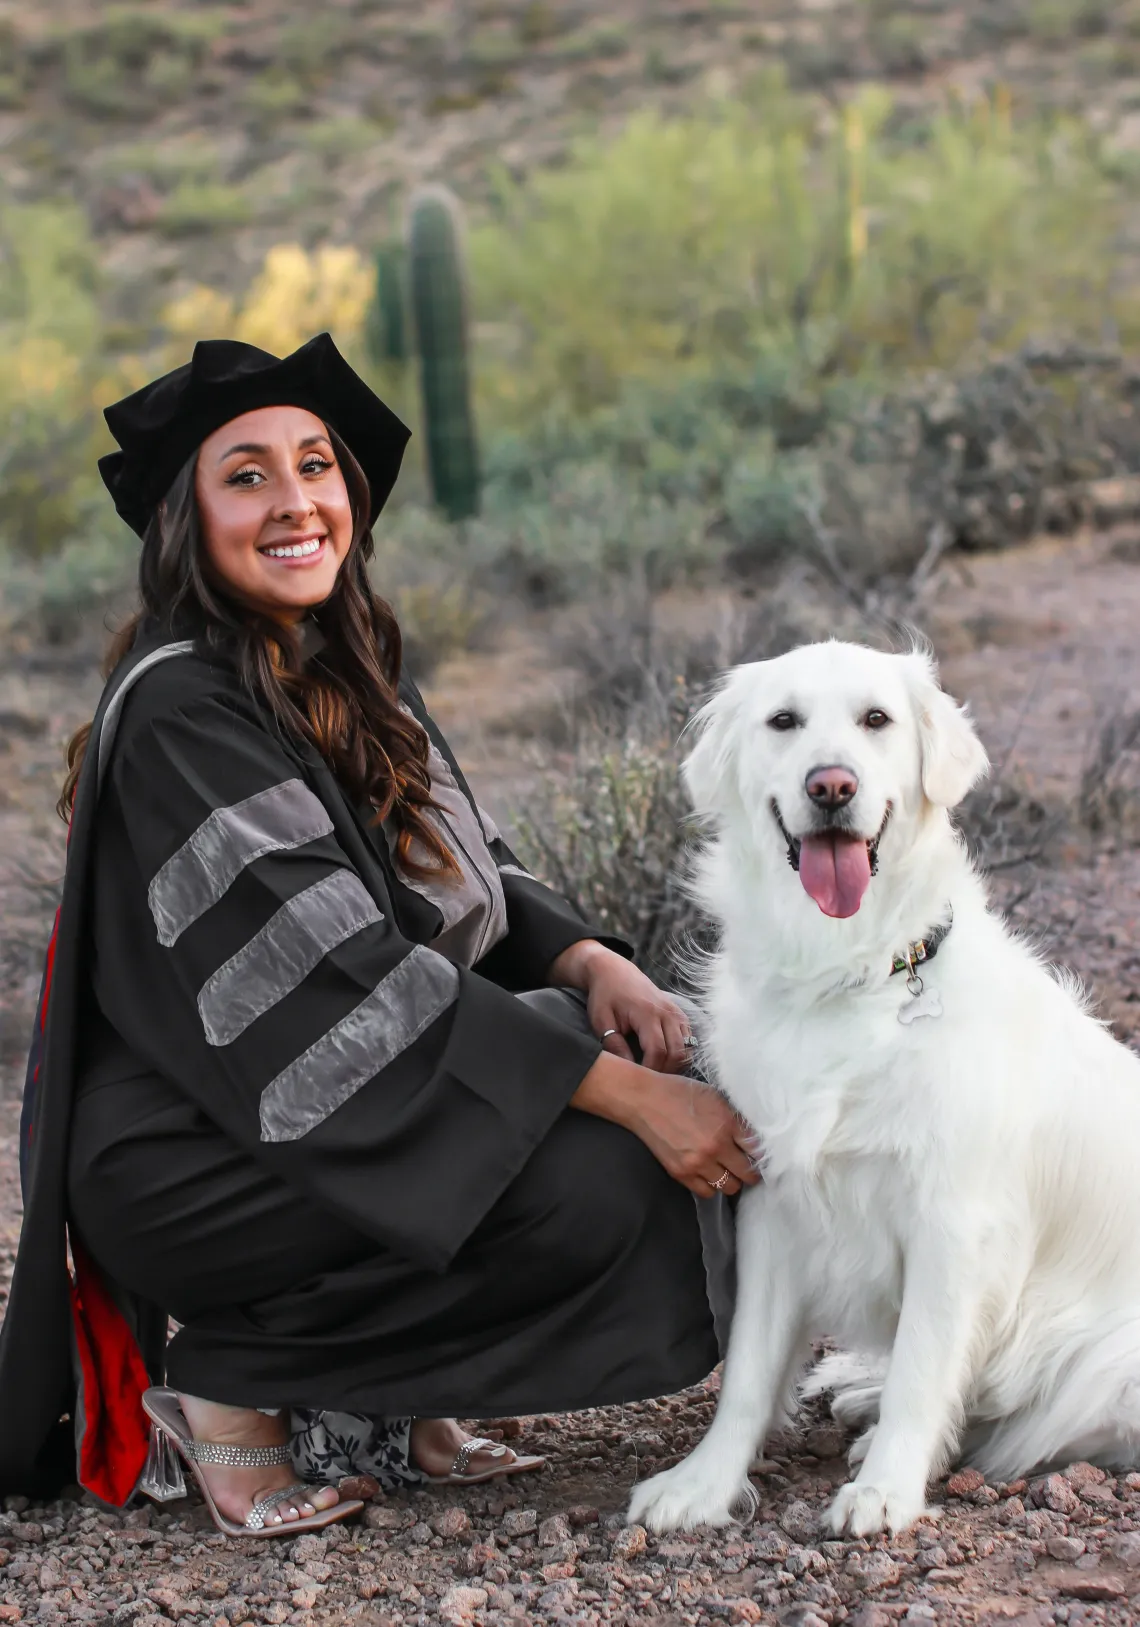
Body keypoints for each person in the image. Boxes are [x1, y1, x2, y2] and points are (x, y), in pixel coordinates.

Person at [0, 333, 756, 1536]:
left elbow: (466, 871)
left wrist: (586, 960)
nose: (296, 501)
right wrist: (615, 1092)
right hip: (190, 1161)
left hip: (298, 1124)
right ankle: (226, 1385)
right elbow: (337, 989)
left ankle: (398, 1400)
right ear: (186, 521)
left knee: (610, 1087)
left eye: (316, 465)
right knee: (600, 1167)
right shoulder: (184, 706)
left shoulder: (340, 664)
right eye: (246, 475)